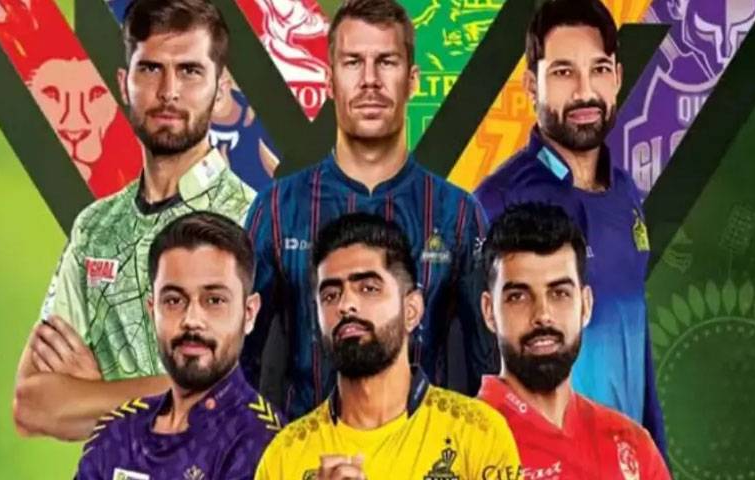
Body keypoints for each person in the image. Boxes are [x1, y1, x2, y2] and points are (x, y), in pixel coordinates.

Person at [13, 0, 255, 441]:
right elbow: (32, 405)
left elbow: (251, 403)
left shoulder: (256, 221)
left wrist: (93, 393)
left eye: (189, 71)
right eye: (150, 69)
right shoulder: (95, 228)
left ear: (221, 90)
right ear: (125, 83)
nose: (168, 91)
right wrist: (179, 394)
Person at [243, 0, 494, 419]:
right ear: (329, 80)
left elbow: (485, 367)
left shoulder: (459, 214)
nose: (370, 80)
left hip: (425, 447)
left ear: (412, 80)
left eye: (386, 62)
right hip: (305, 446)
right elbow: (239, 358)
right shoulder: (276, 209)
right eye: (353, 62)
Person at [473, 0, 666, 452]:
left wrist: (656, 456)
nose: (584, 92)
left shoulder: (626, 194)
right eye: (563, 72)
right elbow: (471, 363)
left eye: (598, 70)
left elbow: (636, 344)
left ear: (617, 78)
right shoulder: (495, 202)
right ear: (531, 86)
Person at [256, 213, 519, 479]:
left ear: (412, 310)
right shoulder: (283, 456)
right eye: (331, 295)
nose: (346, 305)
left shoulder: (479, 432)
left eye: (368, 288)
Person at [75, 212, 283, 479]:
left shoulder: (266, 444)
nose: (192, 320)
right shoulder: (117, 432)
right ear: (152, 312)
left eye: (214, 300)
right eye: (174, 301)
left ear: (249, 314)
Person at [478, 202, 670, 479]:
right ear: (489, 311)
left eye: (559, 293)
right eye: (518, 297)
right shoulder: (461, 442)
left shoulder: (632, 444)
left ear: (586, 305)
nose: (542, 315)